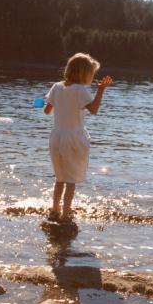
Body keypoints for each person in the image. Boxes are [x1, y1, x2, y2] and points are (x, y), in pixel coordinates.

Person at [44, 52, 113, 223]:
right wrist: (101, 90)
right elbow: (94, 110)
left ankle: (55, 209)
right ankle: (66, 212)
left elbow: (47, 110)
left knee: (60, 178)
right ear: (85, 73)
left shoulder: (57, 86)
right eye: (92, 73)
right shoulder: (80, 90)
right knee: (71, 179)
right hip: (73, 138)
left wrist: (57, 103)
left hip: (56, 137)